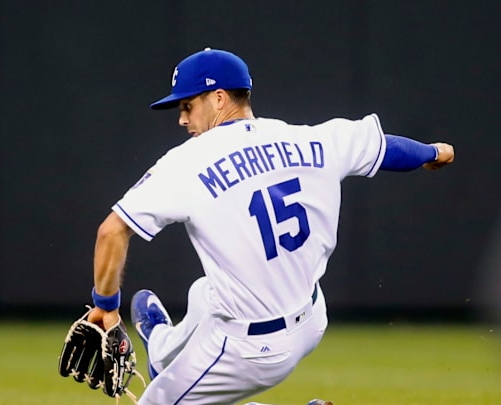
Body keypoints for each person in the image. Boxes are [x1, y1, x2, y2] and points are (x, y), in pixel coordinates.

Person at [85, 48, 454, 404]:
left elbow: (111, 231)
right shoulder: (312, 138)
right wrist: (433, 152)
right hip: (311, 319)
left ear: (217, 98)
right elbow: (384, 148)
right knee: (204, 294)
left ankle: (173, 362)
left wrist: (106, 306)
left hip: (248, 350)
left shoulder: (187, 162)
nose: (182, 119)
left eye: (187, 105)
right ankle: (163, 352)